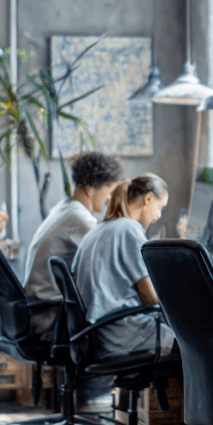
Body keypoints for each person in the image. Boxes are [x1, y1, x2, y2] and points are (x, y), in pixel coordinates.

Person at [72, 173, 173, 358]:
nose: (158, 217)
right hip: (122, 333)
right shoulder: (129, 229)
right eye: (160, 208)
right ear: (148, 199)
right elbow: (149, 296)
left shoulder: (97, 231)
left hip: (98, 332)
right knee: (193, 344)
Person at [22, 151, 123, 304]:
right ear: (91, 189)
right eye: (109, 190)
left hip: (36, 305)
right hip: (50, 312)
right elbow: (112, 264)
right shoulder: (81, 220)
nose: (109, 198)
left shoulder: (64, 209)